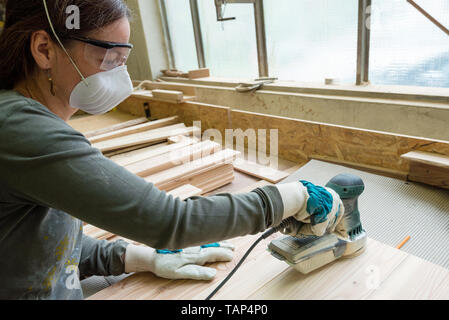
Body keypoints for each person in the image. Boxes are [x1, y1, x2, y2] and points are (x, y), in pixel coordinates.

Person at [0, 0, 344, 300]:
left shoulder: (29, 118)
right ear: (44, 49)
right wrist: (290, 197)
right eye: (108, 58)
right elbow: (170, 221)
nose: (121, 75)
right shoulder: (19, 129)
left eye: (124, 58)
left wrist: (134, 258)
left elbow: (45, 243)